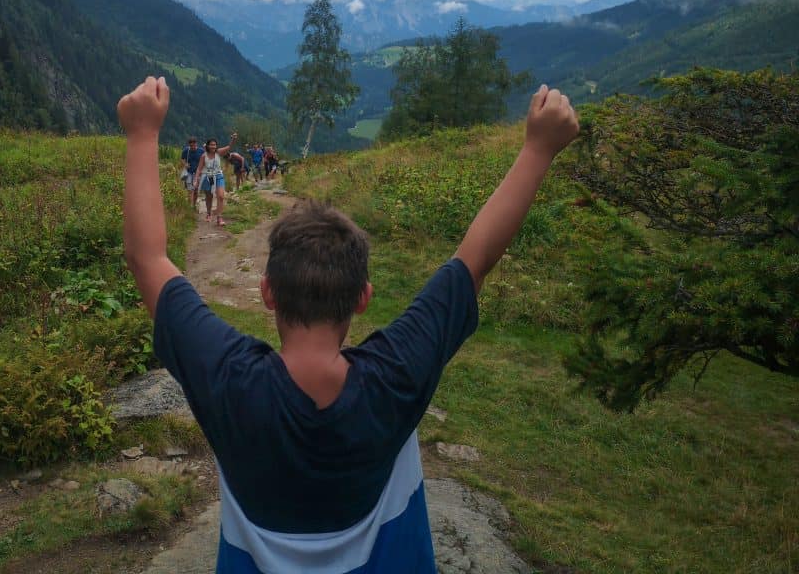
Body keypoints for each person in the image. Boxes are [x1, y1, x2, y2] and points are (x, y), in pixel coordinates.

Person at [117, 77, 579, 573]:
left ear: (268, 293)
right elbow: (475, 259)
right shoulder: (397, 376)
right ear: (363, 299)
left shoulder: (227, 380)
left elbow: (147, 258)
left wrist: (142, 136)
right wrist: (538, 148)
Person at [194, 132, 237, 226]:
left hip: (218, 176)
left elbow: (229, 147)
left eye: (215, 145)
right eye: (211, 145)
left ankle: (219, 217)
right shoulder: (203, 156)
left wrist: (233, 139)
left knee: (221, 196)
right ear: (208, 146)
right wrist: (196, 180)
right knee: (209, 197)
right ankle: (209, 213)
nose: (213, 146)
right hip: (208, 177)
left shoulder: (219, 152)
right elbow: (199, 169)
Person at [181, 137, 205, 208]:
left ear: (196, 144)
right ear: (189, 145)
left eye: (194, 145)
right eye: (191, 146)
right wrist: (185, 164)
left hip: (198, 173)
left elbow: (205, 161)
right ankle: (190, 206)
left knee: (196, 190)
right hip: (189, 173)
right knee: (190, 189)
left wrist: (202, 170)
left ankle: (194, 205)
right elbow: (182, 159)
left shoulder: (201, 151)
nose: (192, 147)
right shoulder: (186, 151)